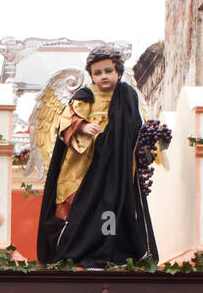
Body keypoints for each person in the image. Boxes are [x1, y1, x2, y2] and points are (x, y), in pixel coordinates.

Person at [36, 48, 157, 266]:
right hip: (86, 165)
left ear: (118, 72)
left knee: (110, 209)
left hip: (117, 167)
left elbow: (136, 126)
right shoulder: (86, 95)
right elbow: (66, 119)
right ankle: (76, 248)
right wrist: (82, 125)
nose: (103, 76)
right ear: (91, 75)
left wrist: (148, 142)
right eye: (98, 72)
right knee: (82, 207)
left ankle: (109, 248)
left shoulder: (127, 96)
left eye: (108, 71)